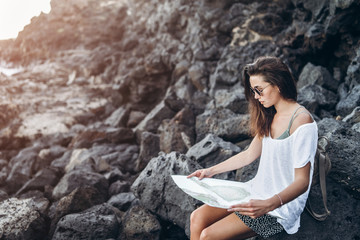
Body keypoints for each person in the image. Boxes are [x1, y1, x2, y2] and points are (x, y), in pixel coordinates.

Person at [188, 56, 318, 240]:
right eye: (253, 91)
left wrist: (269, 204)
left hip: (277, 209)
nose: (256, 97)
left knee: (208, 236)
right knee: (197, 218)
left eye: (259, 90)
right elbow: (249, 155)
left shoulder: (302, 122)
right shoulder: (270, 115)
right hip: (255, 191)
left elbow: (302, 181)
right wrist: (209, 171)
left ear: (278, 85)